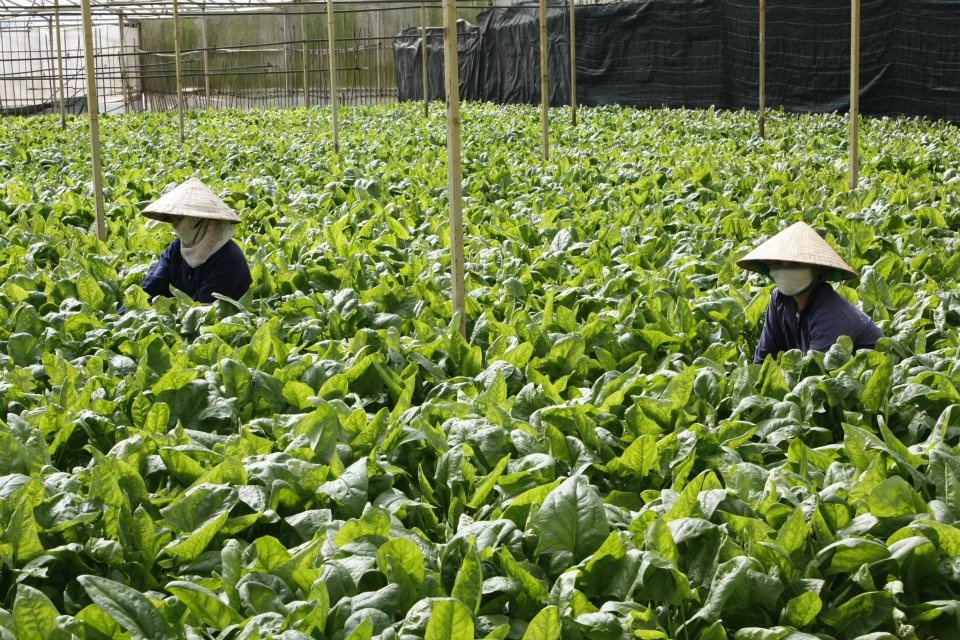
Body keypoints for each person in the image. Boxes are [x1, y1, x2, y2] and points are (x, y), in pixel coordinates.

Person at [738, 221, 882, 364]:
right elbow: (764, 359)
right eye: (778, 263)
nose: (784, 271)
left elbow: (812, 371)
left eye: (795, 264)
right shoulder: (779, 299)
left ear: (819, 269)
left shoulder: (831, 315)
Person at [138, 177, 252, 304]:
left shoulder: (230, 259)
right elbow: (150, 288)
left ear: (201, 219)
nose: (174, 224)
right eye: (171, 219)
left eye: (178, 218)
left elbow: (204, 308)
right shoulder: (175, 249)